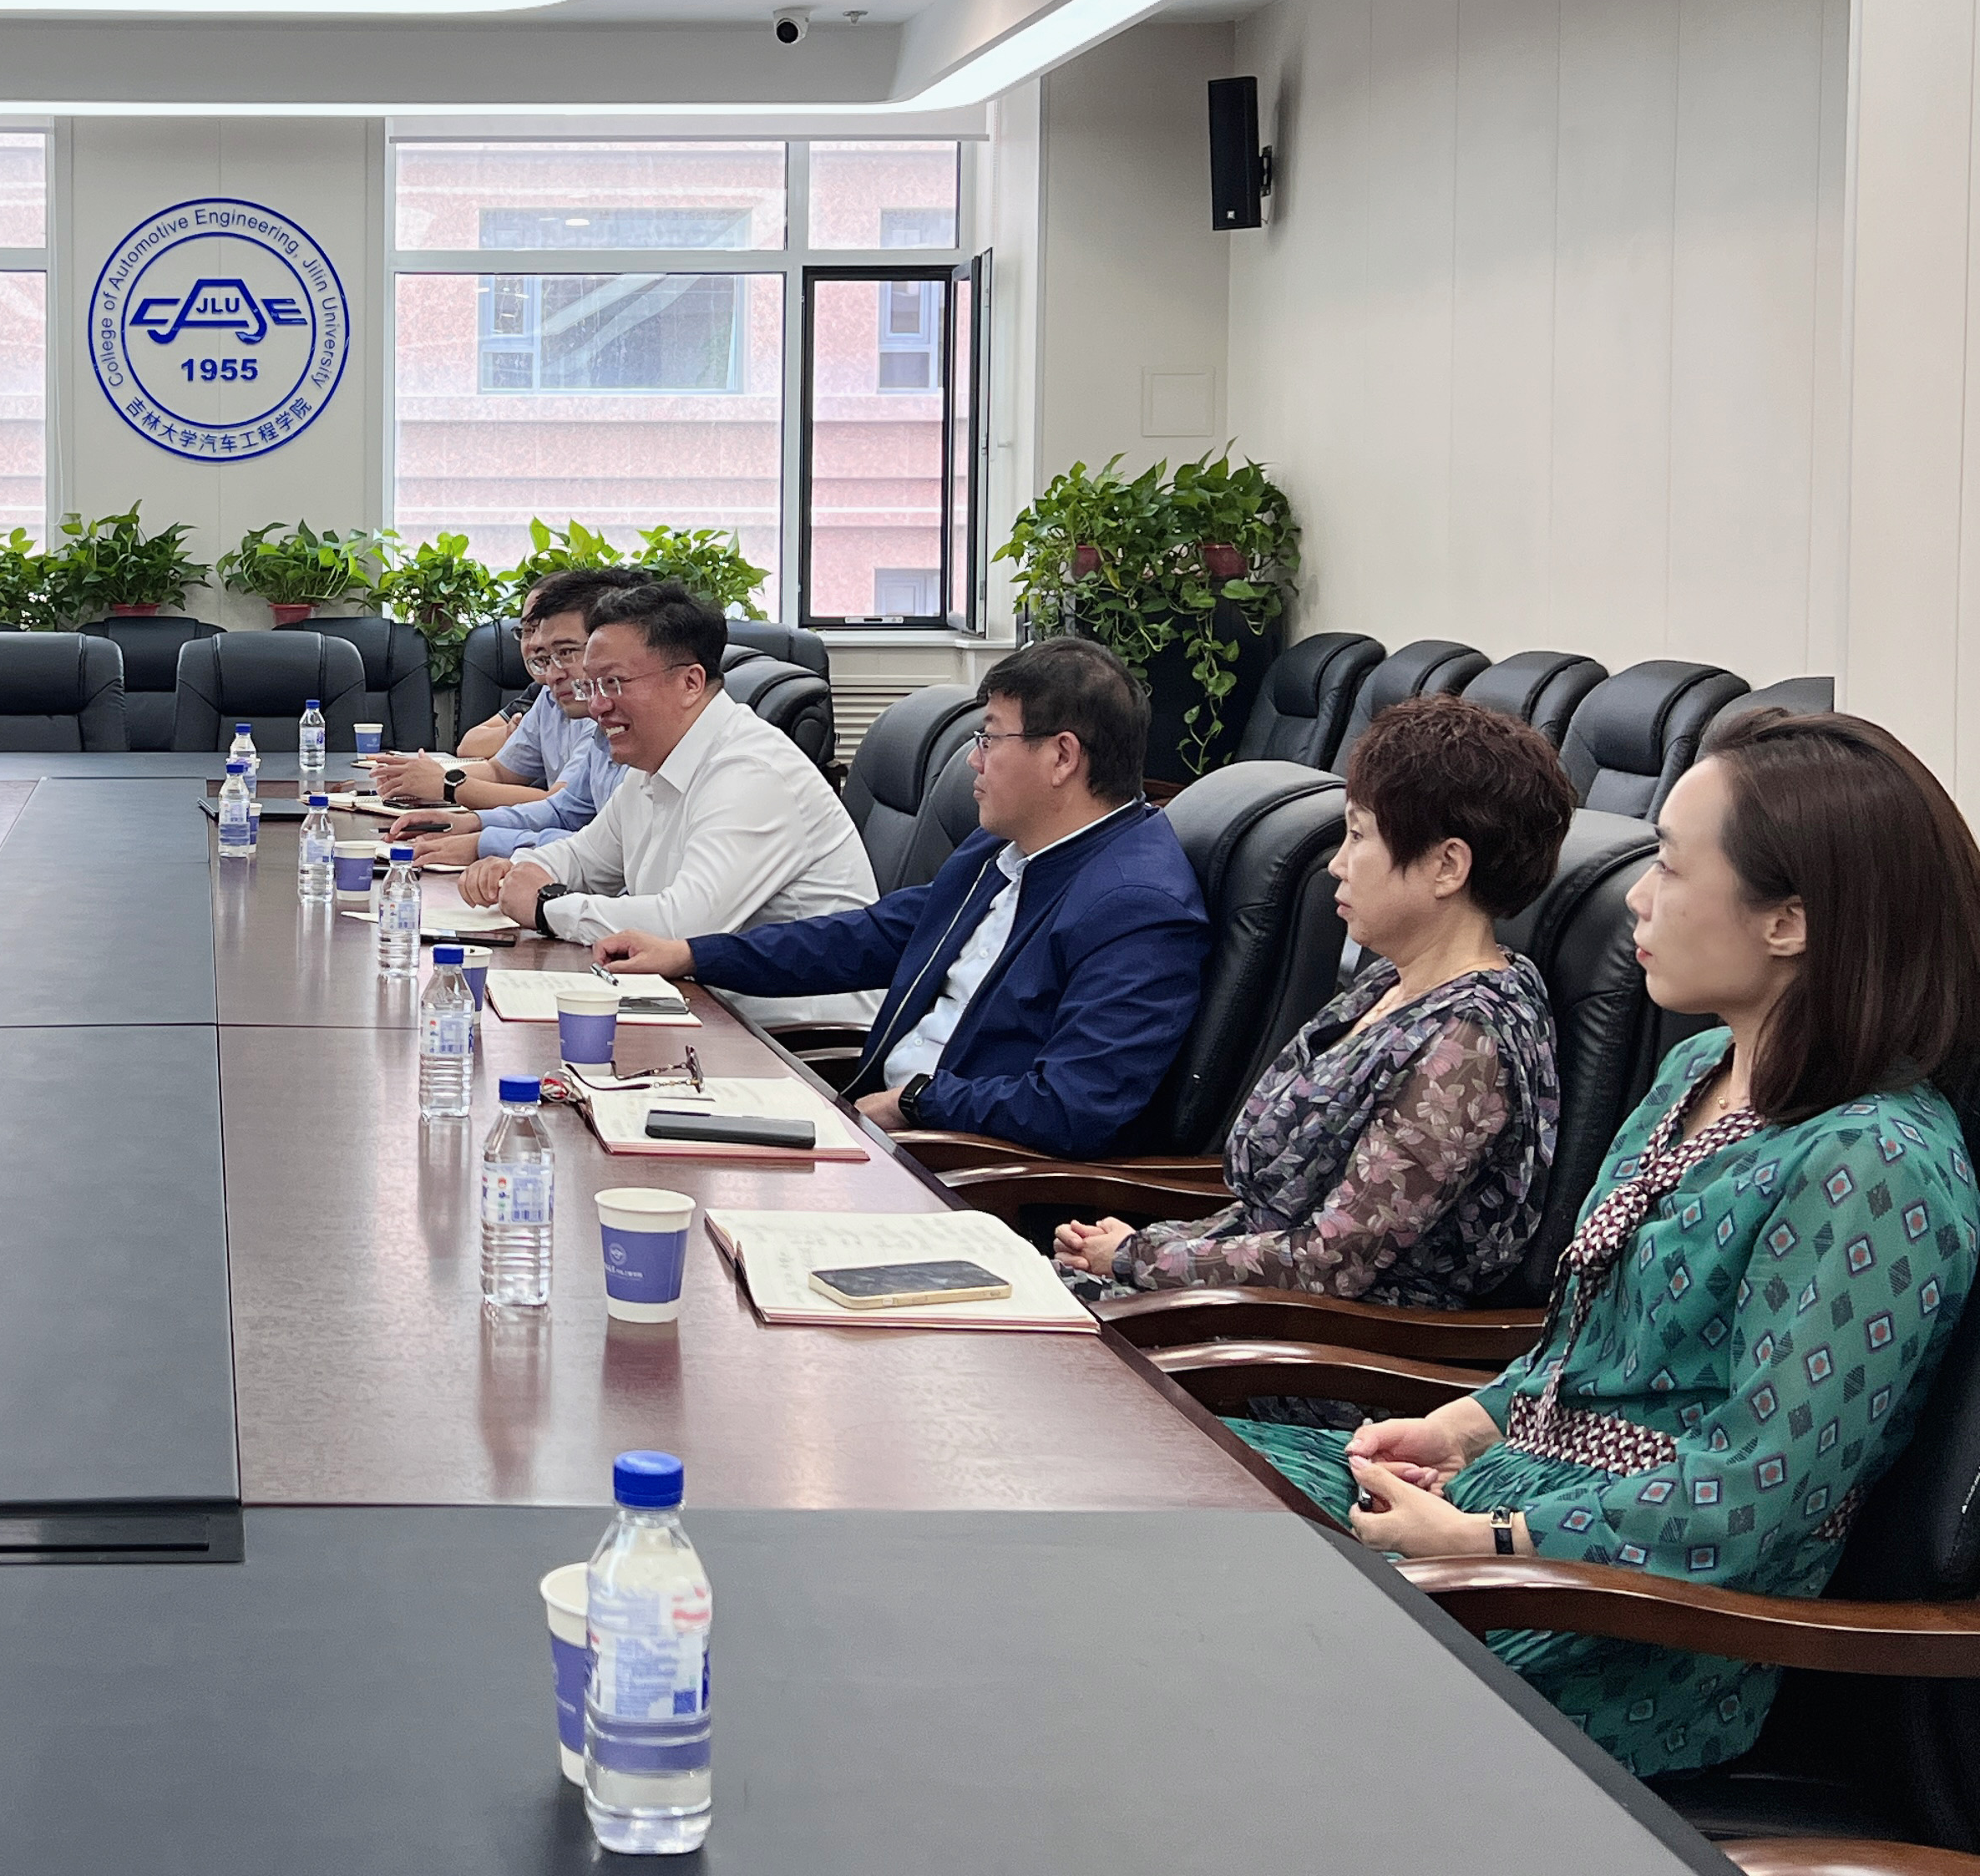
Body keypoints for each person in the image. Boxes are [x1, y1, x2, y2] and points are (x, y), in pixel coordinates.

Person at [1236, 708, 1980, 1778]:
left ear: (1790, 922)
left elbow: (1755, 1494)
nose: (1638, 895)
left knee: (1232, 1656)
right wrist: (1463, 1427)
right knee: (1179, 1490)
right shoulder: (1696, 1072)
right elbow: (1581, 1352)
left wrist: (1493, 1545)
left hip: (1635, 1624)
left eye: (1670, 867)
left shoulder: (1872, 1164)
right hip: (1510, 1508)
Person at [592, 636, 1204, 1155]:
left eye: (990, 739)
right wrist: (694, 954)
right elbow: (871, 936)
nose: (974, 761)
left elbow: (1074, 1104)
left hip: (961, 1171)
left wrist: (915, 1102)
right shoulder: (1005, 850)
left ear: (1062, 756)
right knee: (634, 1127)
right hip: (889, 1127)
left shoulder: (1136, 907)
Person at [1055, 697, 1571, 1306]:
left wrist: (1139, 1257)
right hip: (1235, 1303)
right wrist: (1145, 1247)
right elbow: (1275, 1212)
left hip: (1314, 1344)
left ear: (1447, 866)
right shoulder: (1392, 983)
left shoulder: (1469, 1043)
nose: (1337, 865)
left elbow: (1331, 1264)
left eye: (1358, 835)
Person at [457, 581, 876, 1030]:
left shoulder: (752, 772)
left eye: (613, 683)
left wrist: (546, 906)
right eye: (591, 685)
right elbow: (585, 857)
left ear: (690, 683)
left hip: (792, 1041)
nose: (596, 706)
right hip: (697, 1010)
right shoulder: (654, 762)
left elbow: (684, 926)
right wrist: (521, 869)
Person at [384, 568, 646, 866]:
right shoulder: (593, 721)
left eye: (566, 653)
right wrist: (472, 823)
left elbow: (607, 850)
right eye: (546, 657)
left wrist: (483, 838)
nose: (551, 675)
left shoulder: (641, 732)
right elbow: (563, 810)